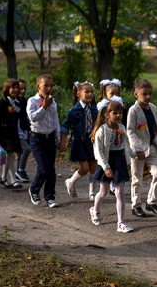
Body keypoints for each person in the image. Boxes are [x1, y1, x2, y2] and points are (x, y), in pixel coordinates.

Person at [90, 97, 134, 234]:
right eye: (114, 113)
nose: (118, 115)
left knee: (120, 193)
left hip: (119, 162)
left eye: (120, 112)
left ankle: (120, 222)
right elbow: (99, 152)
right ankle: (94, 210)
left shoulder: (121, 128)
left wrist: (134, 154)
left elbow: (126, 144)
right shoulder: (101, 131)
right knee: (103, 192)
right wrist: (106, 167)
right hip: (107, 162)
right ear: (106, 114)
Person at [126, 78, 157, 217]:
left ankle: (151, 202)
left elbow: (156, 127)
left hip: (151, 147)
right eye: (144, 94)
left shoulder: (153, 108)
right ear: (136, 94)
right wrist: (137, 149)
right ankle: (136, 205)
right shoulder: (133, 110)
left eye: (150, 93)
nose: (148, 96)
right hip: (138, 150)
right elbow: (130, 131)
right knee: (137, 178)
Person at [27, 72, 65, 208]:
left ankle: (50, 196)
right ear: (38, 86)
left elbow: (56, 122)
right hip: (37, 139)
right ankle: (34, 189)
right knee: (43, 169)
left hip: (49, 139)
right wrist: (44, 106)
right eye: (45, 85)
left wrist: (59, 139)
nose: (49, 88)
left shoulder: (52, 101)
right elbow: (33, 118)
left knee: (51, 170)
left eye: (51, 85)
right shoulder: (32, 101)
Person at [62, 81, 99, 200]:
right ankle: (71, 181)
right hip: (79, 142)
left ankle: (92, 192)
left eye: (91, 92)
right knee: (85, 168)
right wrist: (62, 140)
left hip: (91, 141)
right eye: (86, 92)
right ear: (79, 94)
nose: (90, 94)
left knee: (93, 166)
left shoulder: (94, 110)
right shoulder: (74, 111)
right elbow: (67, 125)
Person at [0, 78, 29, 189]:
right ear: (7, 89)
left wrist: (28, 128)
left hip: (14, 132)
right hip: (3, 133)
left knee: (9, 155)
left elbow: (23, 117)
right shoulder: (2, 102)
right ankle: (13, 180)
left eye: (17, 88)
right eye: (13, 88)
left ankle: (3, 178)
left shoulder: (20, 102)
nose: (16, 90)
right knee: (10, 154)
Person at [14, 78, 32, 183]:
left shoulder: (24, 101)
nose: (23, 91)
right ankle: (20, 170)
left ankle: (18, 171)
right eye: (20, 89)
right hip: (16, 132)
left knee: (21, 153)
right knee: (26, 149)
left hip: (24, 130)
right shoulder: (13, 102)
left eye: (24, 89)